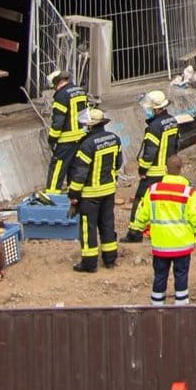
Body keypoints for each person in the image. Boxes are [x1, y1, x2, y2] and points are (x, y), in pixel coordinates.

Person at [133, 150, 196, 306]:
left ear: (166, 169)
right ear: (181, 170)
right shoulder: (188, 192)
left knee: (160, 275)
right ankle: (181, 305)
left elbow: (142, 213)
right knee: (181, 275)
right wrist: (194, 233)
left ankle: (157, 306)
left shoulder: (153, 190)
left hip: (161, 244)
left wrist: (139, 227)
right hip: (182, 243)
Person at [68, 107, 122, 273]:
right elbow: (118, 164)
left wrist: (73, 195)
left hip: (90, 194)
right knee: (107, 224)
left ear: (90, 126)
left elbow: (80, 174)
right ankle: (110, 259)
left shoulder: (87, 145)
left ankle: (89, 263)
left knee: (88, 228)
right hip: (108, 191)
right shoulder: (114, 139)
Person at [125, 91, 178, 244]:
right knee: (164, 201)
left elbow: (149, 154)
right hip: (168, 171)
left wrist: (142, 170)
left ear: (155, 109)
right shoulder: (172, 121)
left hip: (154, 171)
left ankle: (134, 233)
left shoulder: (154, 127)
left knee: (140, 200)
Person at [45, 69, 88, 192]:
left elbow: (58, 122)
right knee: (75, 169)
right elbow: (85, 115)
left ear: (56, 82)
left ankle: (52, 195)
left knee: (57, 168)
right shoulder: (80, 91)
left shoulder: (61, 95)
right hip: (82, 138)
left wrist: (52, 139)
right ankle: (73, 195)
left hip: (66, 141)